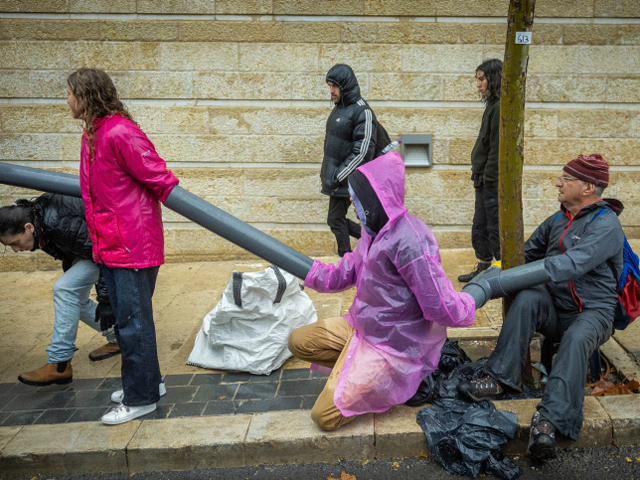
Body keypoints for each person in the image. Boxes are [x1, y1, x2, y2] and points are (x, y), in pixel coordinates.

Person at [288, 152, 476, 431]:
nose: (351, 201)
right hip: (363, 329)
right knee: (298, 341)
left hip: (396, 347)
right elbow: (345, 271)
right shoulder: (371, 231)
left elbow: (439, 305)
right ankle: (359, 374)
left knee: (323, 417)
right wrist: (308, 271)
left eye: (357, 195)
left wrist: (472, 299)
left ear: (376, 197)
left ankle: (403, 379)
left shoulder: (411, 239)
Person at [457, 154, 623, 460]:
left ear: (588, 187)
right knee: (529, 298)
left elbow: (571, 265)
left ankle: (549, 419)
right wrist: (486, 278)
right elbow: (523, 258)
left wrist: (493, 287)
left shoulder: (606, 225)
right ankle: (499, 379)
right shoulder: (558, 220)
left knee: (575, 339)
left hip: (593, 312)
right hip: (556, 307)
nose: (558, 182)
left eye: (566, 178)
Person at [67, 68, 179, 425]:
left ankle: (140, 398)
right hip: (113, 245)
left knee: (133, 326)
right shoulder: (94, 135)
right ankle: (149, 383)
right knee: (133, 322)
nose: (66, 100)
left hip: (132, 246)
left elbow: (159, 176)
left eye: (70, 93)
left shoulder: (119, 132)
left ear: (86, 96)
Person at [0, 194, 119, 386]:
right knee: (73, 299)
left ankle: (59, 364)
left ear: (28, 228)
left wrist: (106, 301)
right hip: (94, 249)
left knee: (64, 290)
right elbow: (71, 248)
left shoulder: (54, 222)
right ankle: (120, 336)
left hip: (113, 247)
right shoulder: (39, 223)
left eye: (15, 242)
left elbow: (103, 253)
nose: (15, 249)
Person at [320, 64, 380, 257]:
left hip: (349, 179)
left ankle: (348, 256)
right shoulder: (339, 109)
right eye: (329, 86)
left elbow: (363, 151)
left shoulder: (362, 111)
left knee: (337, 219)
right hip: (338, 179)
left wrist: (339, 176)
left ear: (345, 86)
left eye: (334, 86)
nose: (331, 91)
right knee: (336, 219)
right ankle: (370, 245)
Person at [458, 59, 503, 283]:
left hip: (490, 182)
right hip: (483, 180)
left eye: (481, 79)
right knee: (480, 226)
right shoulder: (491, 106)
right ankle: (484, 266)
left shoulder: (500, 107)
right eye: (478, 79)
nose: (478, 85)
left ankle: (501, 272)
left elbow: (496, 149)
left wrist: (488, 179)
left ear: (493, 79)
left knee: (494, 227)